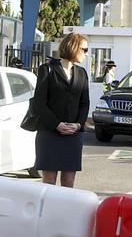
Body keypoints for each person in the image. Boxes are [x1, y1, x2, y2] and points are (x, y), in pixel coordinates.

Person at [34, 32, 90, 188]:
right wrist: (57, 124)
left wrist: (78, 125)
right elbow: (39, 103)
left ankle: (65, 213)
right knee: (49, 182)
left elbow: (84, 103)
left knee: (68, 182)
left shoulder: (82, 73)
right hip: (50, 133)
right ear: (73, 47)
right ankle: (47, 212)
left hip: (73, 135)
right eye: (84, 49)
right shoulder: (47, 69)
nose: (86, 53)